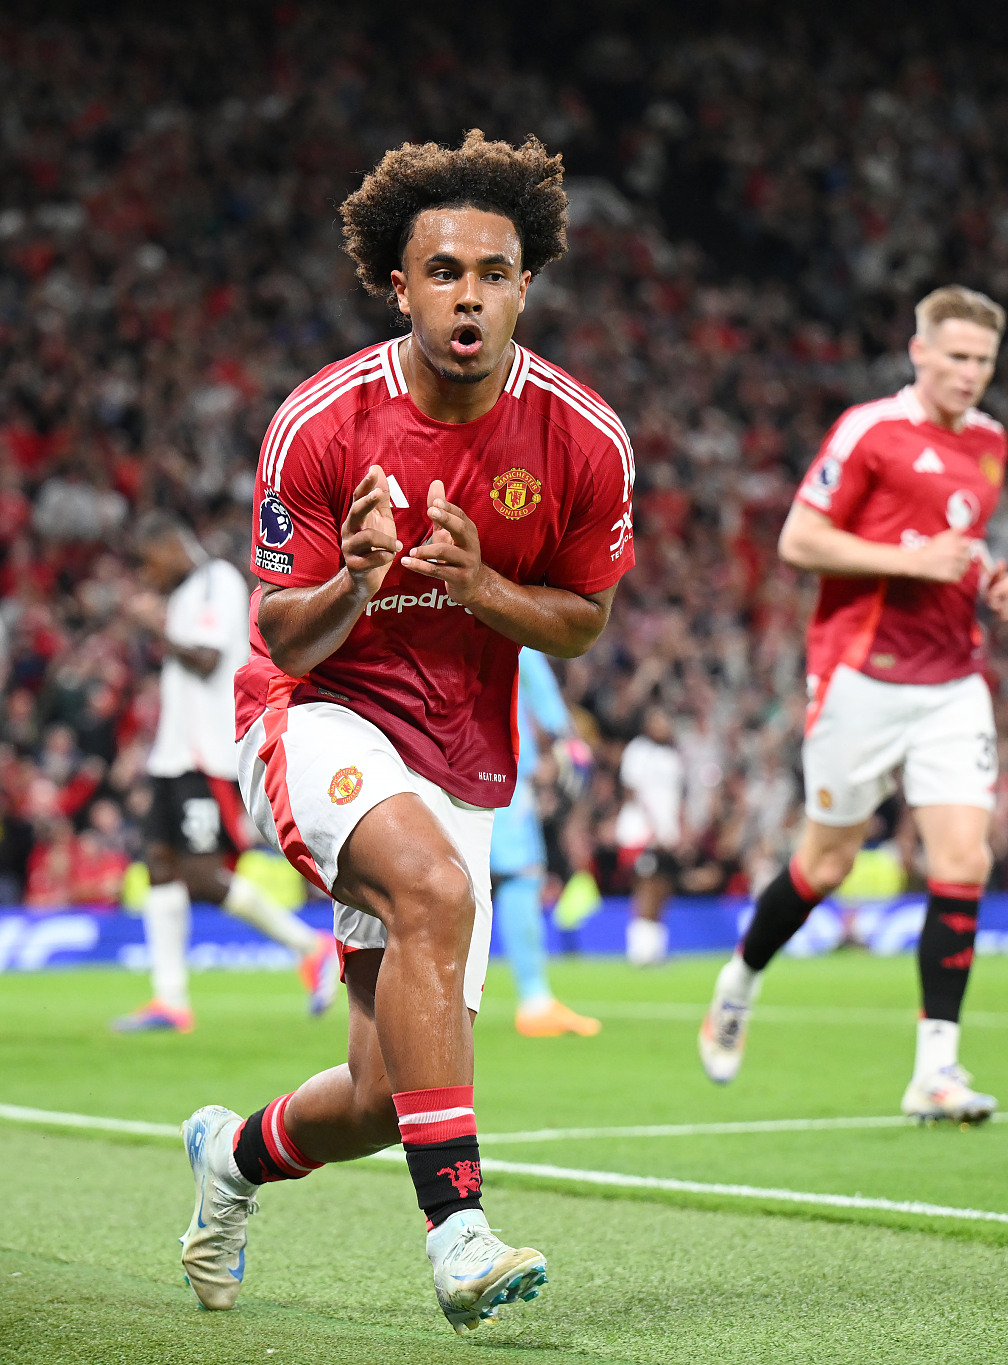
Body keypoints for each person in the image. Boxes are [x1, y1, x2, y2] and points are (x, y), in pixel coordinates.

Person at [177, 132, 634, 1333]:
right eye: (442, 271)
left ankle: (231, 1157)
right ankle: (459, 1234)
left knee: (383, 1097)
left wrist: (484, 594)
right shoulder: (321, 423)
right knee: (433, 892)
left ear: (526, 282)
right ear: (398, 282)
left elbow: (582, 623)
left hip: (462, 752)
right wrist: (358, 578)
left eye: (493, 270)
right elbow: (284, 634)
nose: (468, 293)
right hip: (315, 709)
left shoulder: (583, 439)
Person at [696, 284, 1008, 1124]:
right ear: (919, 352)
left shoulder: (991, 442)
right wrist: (912, 563)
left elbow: (961, 543)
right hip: (862, 678)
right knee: (827, 863)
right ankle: (740, 977)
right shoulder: (870, 431)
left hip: (953, 681)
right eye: (955, 356)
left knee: (965, 859)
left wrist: (993, 580)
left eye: (983, 360)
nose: (969, 373)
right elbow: (799, 539)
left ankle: (936, 1070)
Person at [113, 513, 335, 1033]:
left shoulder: (216, 580)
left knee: (200, 874)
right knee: (161, 867)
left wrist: (155, 628)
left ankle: (310, 946)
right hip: (172, 757)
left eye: (150, 563)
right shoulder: (187, 592)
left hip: (207, 755)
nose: (149, 575)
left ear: (171, 544)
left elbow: (209, 658)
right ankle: (170, 1001)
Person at [494, 648, 600, 1036]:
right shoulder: (500, 596)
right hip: (495, 763)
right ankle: (535, 1001)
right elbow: (530, 665)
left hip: (428, 758)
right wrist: (565, 736)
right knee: (521, 875)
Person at [616, 705, 683, 966]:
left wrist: (674, 828)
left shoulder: (672, 757)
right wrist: (652, 824)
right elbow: (632, 790)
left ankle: (654, 946)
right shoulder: (638, 751)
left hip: (666, 834)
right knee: (646, 884)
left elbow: (675, 799)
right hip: (641, 831)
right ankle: (640, 949)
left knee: (663, 886)